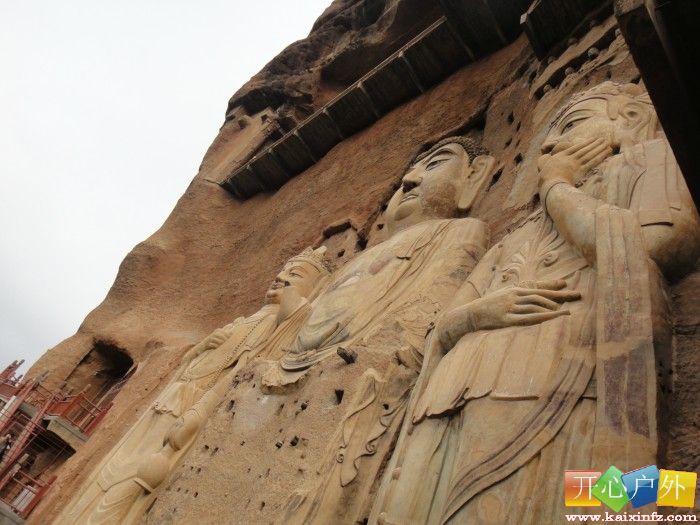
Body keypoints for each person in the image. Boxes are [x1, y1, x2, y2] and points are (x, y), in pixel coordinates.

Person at [370, 82, 700, 524]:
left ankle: (662, 502)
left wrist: (558, 186)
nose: (548, 144)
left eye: (572, 124)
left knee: (593, 503)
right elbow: (443, 325)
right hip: (454, 396)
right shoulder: (521, 229)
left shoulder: (649, 160)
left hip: (571, 382)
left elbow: (656, 243)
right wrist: (482, 312)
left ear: (631, 119)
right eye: (548, 133)